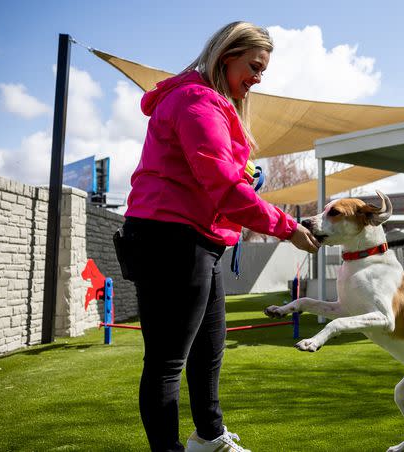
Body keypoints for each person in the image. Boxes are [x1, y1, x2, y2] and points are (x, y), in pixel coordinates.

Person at [115, 21, 320, 452]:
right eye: (254, 66)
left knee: (209, 349)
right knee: (168, 362)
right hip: (168, 238)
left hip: (197, 240)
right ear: (227, 56)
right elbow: (223, 188)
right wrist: (288, 229)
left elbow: (218, 176)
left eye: (264, 70)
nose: (258, 78)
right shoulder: (196, 101)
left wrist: (245, 174)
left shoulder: (210, 104)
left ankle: (209, 438)